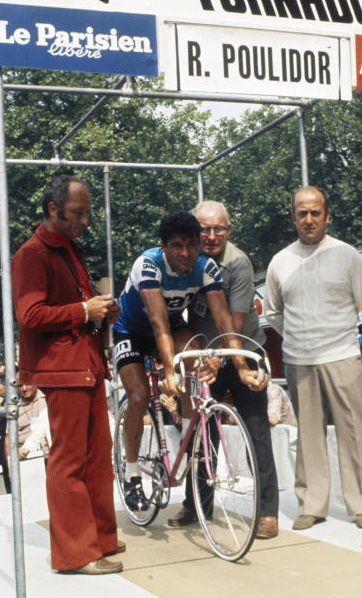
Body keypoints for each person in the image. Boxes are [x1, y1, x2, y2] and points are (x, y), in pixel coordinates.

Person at [264, 186, 362, 531]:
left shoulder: (347, 255)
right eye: (302, 213)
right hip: (299, 360)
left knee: (353, 430)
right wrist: (296, 337)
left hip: (342, 355)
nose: (309, 220)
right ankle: (312, 504)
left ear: (327, 215)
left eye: (315, 213)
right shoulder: (280, 261)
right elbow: (273, 312)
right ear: (293, 216)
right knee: (307, 434)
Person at [113, 211, 264, 513]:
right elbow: (157, 323)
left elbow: (224, 321)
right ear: (163, 246)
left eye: (191, 245)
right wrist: (169, 371)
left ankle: (187, 439)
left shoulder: (206, 267)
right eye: (177, 246)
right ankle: (130, 474)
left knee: (193, 356)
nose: (185, 253)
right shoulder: (149, 263)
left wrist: (242, 368)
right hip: (132, 330)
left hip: (171, 326)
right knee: (140, 396)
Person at [12, 174, 122, 575]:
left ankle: (99, 539)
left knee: (97, 459)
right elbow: (29, 314)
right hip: (65, 369)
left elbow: (68, 307)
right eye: (78, 213)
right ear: (53, 209)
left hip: (84, 364)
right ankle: (76, 553)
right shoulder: (32, 254)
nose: (85, 221)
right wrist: (84, 311)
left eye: (88, 213)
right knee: (70, 460)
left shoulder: (64, 249)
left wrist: (100, 311)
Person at [179, 200, 279, 538]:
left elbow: (233, 323)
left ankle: (267, 513)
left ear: (228, 230)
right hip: (207, 355)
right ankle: (197, 504)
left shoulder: (238, 263)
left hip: (242, 353)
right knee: (200, 433)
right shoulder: (186, 258)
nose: (210, 236)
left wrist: (220, 358)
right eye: (203, 229)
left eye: (217, 229)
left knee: (256, 432)